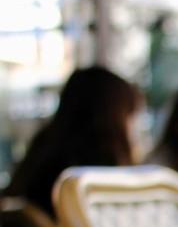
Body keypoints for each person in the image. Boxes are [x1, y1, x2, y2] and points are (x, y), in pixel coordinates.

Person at [6, 66, 142, 218]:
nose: (133, 128)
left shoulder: (44, 149)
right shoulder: (92, 174)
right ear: (114, 117)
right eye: (130, 116)